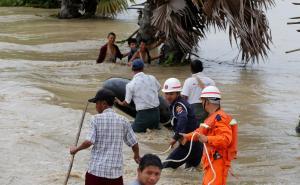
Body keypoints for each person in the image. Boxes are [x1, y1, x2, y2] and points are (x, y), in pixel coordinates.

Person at [70, 88, 140, 185]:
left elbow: (89, 142)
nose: (96, 106)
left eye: (96, 103)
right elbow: (134, 142)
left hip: (96, 172)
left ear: (103, 103)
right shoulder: (123, 120)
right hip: (115, 175)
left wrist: (76, 150)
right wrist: (136, 155)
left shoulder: (95, 119)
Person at [182, 86, 238, 185]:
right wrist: (187, 136)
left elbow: (225, 139)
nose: (201, 103)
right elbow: (199, 132)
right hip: (211, 162)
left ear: (207, 102)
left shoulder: (220, 118)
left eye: (202, 100)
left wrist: (207, 139)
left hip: (218, 162)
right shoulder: (212, 117)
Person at [161, 78, 203, 169]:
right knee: (192, 172)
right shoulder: (178, 103)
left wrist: (175, 138)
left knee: (166, 168)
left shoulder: (179, 105)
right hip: (195, 144)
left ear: (178, 93)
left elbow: (182, 119)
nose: (168, 96)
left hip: (189, 145)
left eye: (171, 94)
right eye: (166, 94)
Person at [115, 59, 161, 132]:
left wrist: (119, 102)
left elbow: (127, 102)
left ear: (132, 69)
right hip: (156, 114)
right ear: (143, 68)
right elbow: (158, 88)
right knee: (155, 132)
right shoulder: (152, 78)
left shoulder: (130, 85)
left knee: (129, 132)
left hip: (144, 115)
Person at [181, 59, 215, 125]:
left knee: (194, 127)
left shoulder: (188, 81)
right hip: (207, 109)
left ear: (191, 69)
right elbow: (214, 98)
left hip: (192, 110)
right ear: (202, 68)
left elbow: (184, 97)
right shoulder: (211, 81)